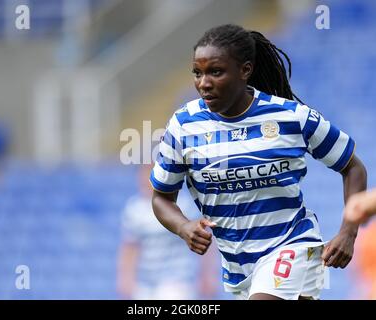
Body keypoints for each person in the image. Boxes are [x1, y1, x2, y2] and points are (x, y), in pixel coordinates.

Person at [149, 24, 367, 300]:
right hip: (239, 268)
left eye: (215, 71)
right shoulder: (183, 125)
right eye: (197, 73)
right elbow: (161, 198)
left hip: (293, 245)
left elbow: (352, 167)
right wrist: (183, 226)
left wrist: (348, 232)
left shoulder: (291, 117)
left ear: (245, 70)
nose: (203, 82)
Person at [117, 164, 218, 300]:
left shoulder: (184, 205)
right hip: (145, 284)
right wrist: (126, 278)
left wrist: (207, 274)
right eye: (145, 173)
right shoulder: (134, 209)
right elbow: (130, 247)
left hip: (178, 282)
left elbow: (204, 239)